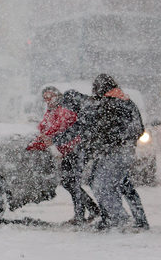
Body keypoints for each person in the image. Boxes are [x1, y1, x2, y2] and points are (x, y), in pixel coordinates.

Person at [88, 73, 147, 230]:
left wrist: (113, 140)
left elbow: (103, 130)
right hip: (120, 151)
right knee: (122, 185)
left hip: (115, 152)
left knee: (102, 185)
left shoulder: (113, 103)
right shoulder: (124, 101)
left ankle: (117, 218)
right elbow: (138, 128)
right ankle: (138, 220)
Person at [51, 89, 100, 225]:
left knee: (73, 181)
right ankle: (92, 209)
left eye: (50, 97)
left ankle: (80, 215)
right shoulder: (61, 107)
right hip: (72, 149)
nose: (49, 101)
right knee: (68, 181)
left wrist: (55, 139)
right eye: (46, 98)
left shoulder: (68, 104)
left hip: (78, 149)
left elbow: (75, 128)